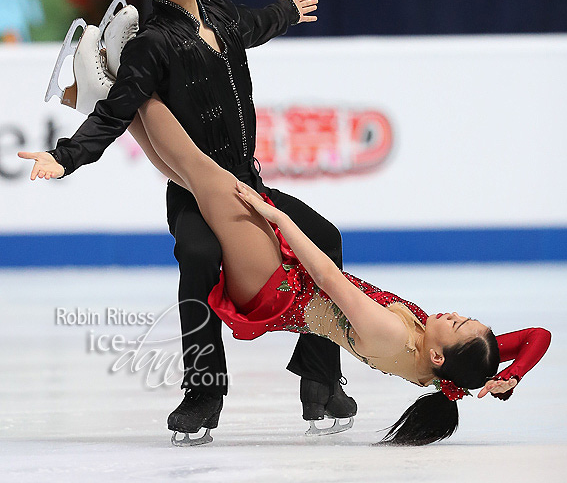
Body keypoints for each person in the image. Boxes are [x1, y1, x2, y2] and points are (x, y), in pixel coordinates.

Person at [20, 94, 552, 445]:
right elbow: (538, 335)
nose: (456, 313)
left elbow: (327, 277)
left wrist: (275, 216)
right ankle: (111, 87)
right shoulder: (447, 360)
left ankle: (118, 81)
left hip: (277, 290)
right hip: (290, 281)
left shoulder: (391, 333)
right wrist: (509, 374)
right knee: (191, 175)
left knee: (204, 169)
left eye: (458, 322)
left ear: (436, 354)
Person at [18, 0, 356, 442]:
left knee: (326, 238)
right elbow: (114, 109)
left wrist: (286, 11)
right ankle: (203, 392)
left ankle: (320, 381)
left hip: (251, 183)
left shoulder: (219, 13)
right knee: (199, 257)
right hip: (195, 193)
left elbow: (255, 23)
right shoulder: (151, 45)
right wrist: (65, 156)